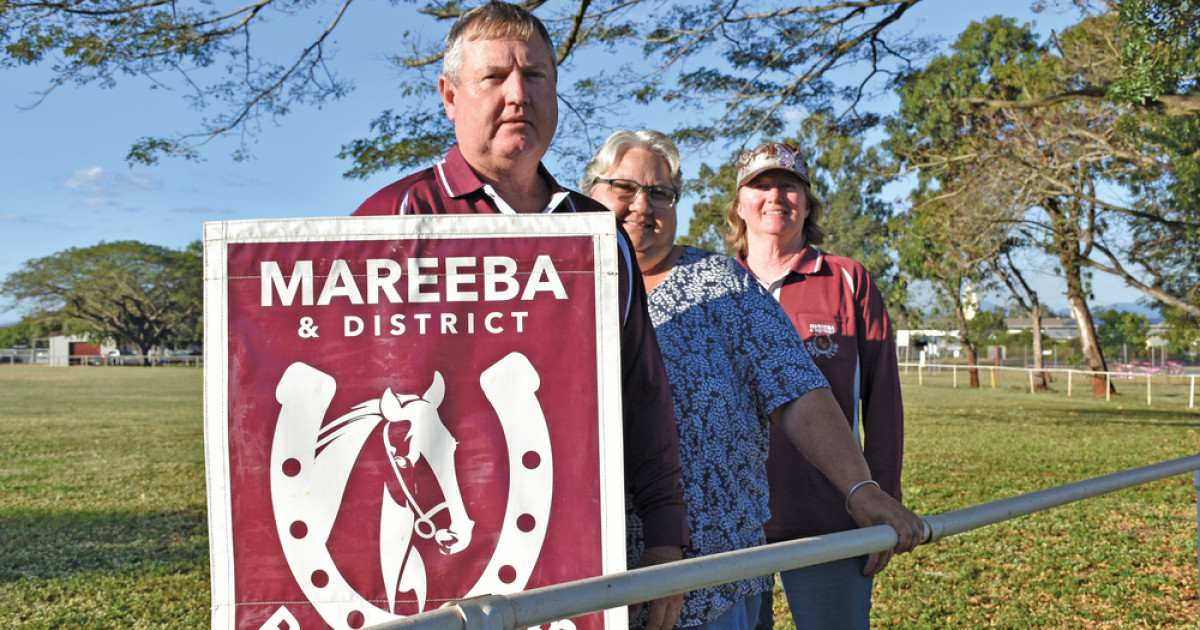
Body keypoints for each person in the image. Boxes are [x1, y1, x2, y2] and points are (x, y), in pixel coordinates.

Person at [353, 4, 689, 629]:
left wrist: (666, 538)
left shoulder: (596, 231)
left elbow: (640, 389)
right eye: (494, 77)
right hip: (432, 565)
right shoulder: (388, 220)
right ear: (449, 96)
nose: (517, 95)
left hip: (576, 553)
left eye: (535, 76)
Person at [582, 130, 923, 630]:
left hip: (714, 574)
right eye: (624, 189)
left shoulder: (724, 286)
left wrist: (865, 490)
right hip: (594, 576)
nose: (642, 205)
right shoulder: (555, 283)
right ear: (588, 193)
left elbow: (799, 394)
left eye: (660, 193)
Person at [729, 143, 905, 630]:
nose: (774, 196)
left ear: (807, 203)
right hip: (731, 522)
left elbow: (884, 400)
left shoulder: (848, 281)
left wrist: (881, 495)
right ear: (739, 204)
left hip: (831, 514)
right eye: (759, 186)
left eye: (788, 186)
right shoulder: (714, 285)